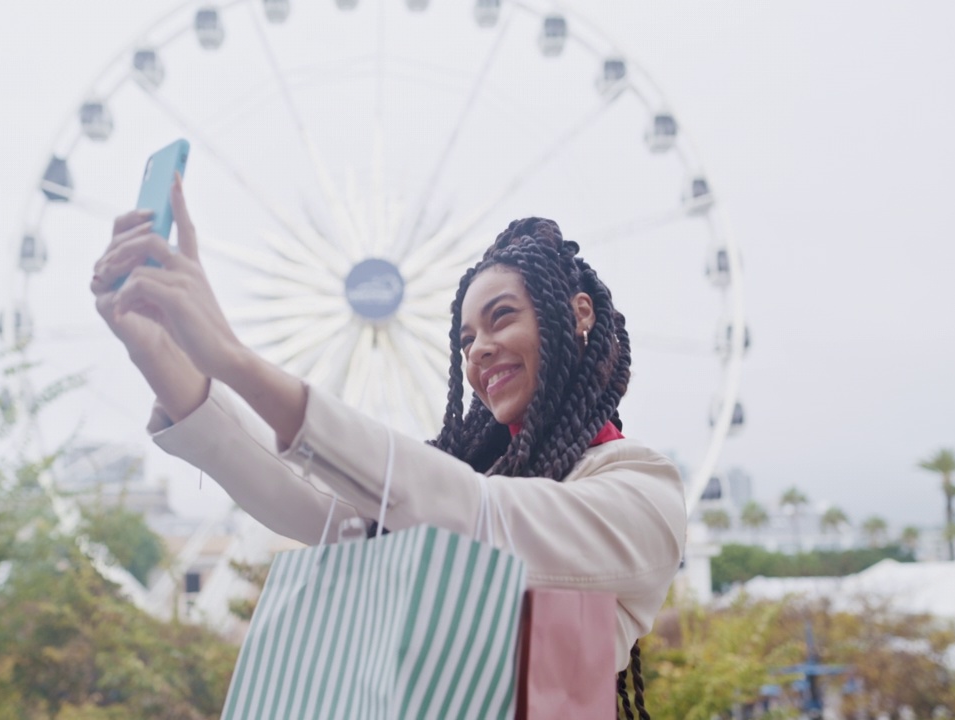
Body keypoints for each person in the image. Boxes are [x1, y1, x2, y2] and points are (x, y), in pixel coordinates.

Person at [90, 176, 686, 716]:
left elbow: (481, 517)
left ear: (579, 315)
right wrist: (158, 350)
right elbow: (309, 498)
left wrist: (234, 358)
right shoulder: (451, 488)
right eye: (467, 337)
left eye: (502, 318)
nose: (478, 350)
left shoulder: (640, 494)